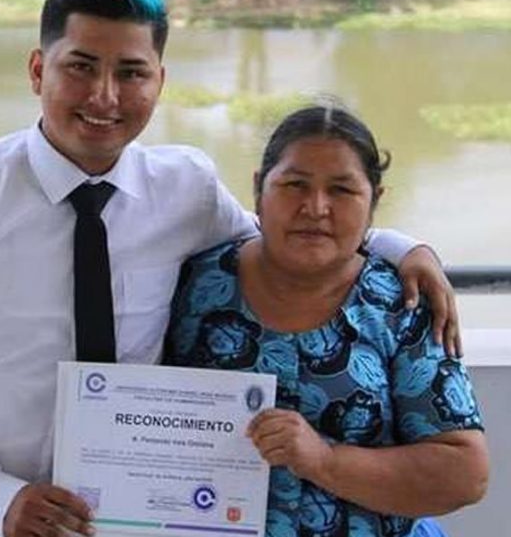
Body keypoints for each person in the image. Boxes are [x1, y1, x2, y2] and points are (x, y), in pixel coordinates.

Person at [0, 0, 461, 537]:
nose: (104, 96)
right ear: (38, 69)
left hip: (128, 519)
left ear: (160, 82)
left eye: (130, 72)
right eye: (81, 67)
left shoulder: (185, 188)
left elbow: (282, 233)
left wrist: (399, 246)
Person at [163, 104, 489, 537]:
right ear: (260, 188)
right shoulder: (193, 285)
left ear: (376, 200)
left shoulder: (403, 302)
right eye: (295, 184)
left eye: (342, 190)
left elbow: (466, 473)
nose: (315, 208)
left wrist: (323, 460)